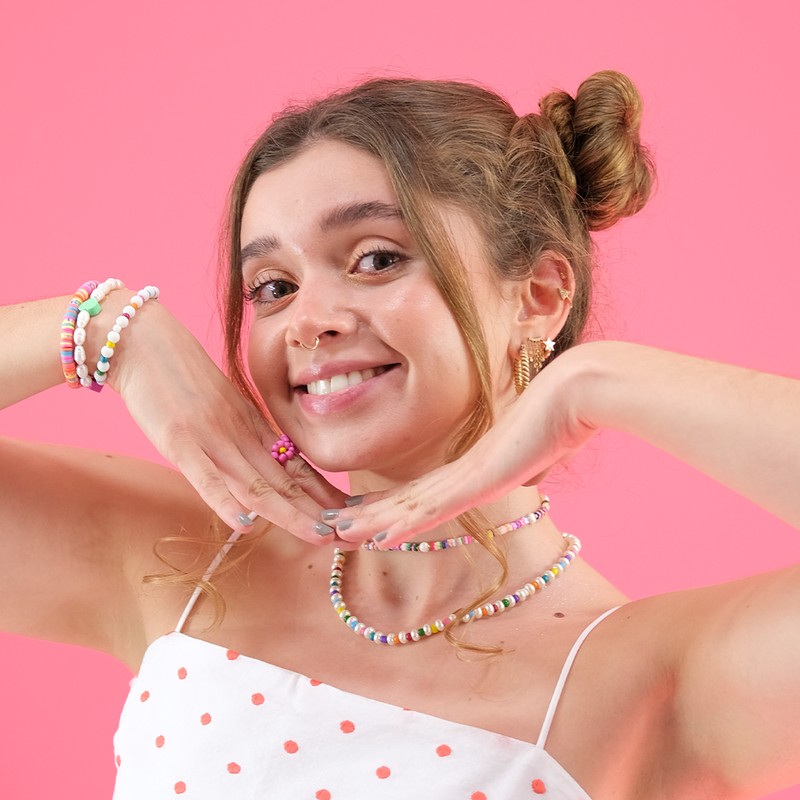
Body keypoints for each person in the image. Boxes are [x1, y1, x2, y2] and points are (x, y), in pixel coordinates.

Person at [2, 71, 798, 799]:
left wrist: (597, 382)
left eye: (377, 259)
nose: (308, 321)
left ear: (541, 295)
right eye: (273, 287)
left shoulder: (658, 676)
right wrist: (104, 328)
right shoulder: (183, 560)